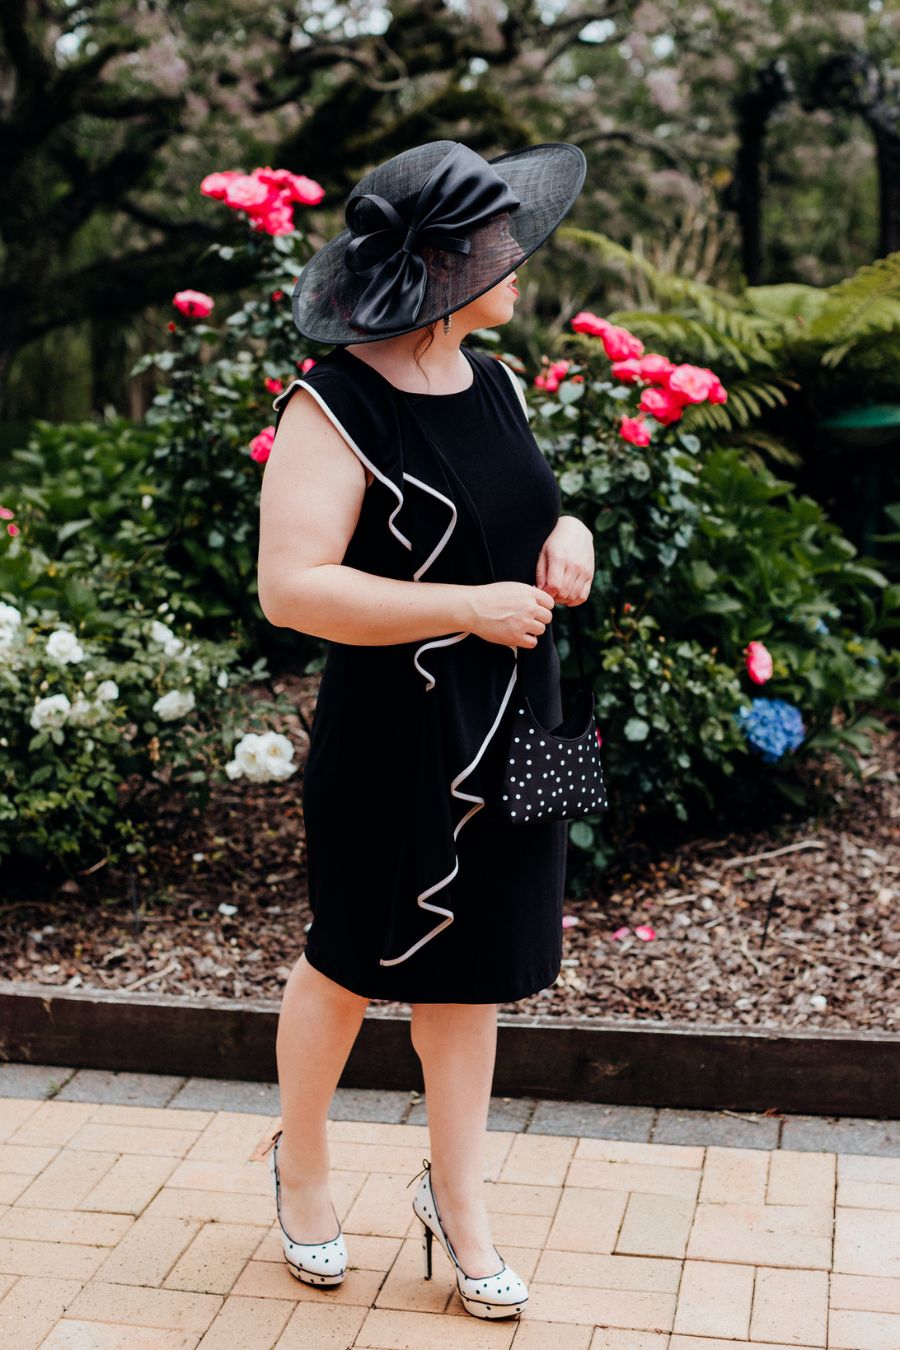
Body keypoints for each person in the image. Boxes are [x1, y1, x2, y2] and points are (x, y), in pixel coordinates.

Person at [256, 138, 593, 1321]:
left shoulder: (494, 378)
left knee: (486, 965)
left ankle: (461, 1206)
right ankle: (301, 1173)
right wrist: (460, 607)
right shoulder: (332, 402)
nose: (522, 259)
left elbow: (531, 513)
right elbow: (291, 590)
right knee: (348, 957)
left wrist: (574, 538)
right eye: (502, 242)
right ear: (446, 264)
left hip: (531, 717)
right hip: (396, 736)